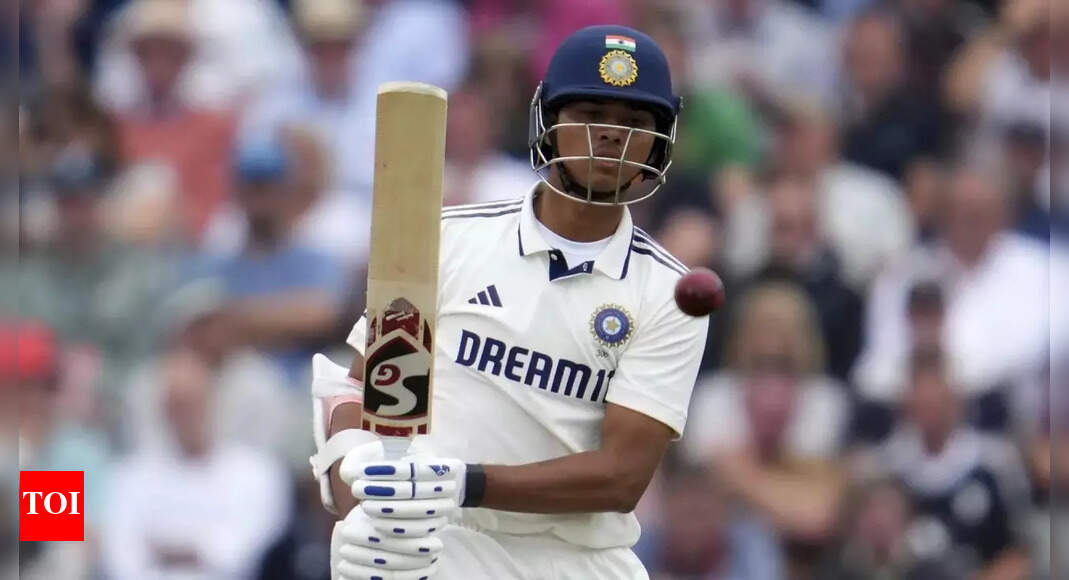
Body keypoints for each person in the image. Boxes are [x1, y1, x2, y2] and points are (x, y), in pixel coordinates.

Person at [310, 25, 708, 580]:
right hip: (439, 542)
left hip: (576, 561)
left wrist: (462, 482)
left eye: (634, 123)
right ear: (548, 120)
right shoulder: (449, 239)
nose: (610, 135)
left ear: (659, 141)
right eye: (591, 113)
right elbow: (362, 391)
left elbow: (621, 479)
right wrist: (359, 489)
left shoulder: (669, 292)